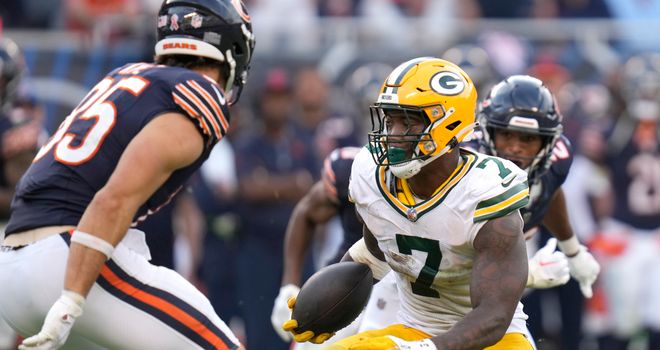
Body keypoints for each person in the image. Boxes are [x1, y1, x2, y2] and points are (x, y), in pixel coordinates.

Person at [0, 0, 255, 349]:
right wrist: (71, 299)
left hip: (12, 268)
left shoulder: (125, 76)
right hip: (69, 260)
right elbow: (114, 197)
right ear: (234, 48)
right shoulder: (198, 92)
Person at [283, 57, 538, 350]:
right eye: (389, 120)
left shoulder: (485, 193)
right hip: (414, 331)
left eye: (408, 121)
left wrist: (428, 349)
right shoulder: (371, 173)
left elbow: (493, 316)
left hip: (493, 341)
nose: (392, 134)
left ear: (450, 123)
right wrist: (327, 306)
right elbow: (374, 252)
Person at [474, 74, 601, 348]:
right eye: (506, 134)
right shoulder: (463, 164)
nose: (515, 147)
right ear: (487, 131)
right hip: (434, 293)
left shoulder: (555, 161)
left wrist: (573, 250)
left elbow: (549, 192)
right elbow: (449, 254)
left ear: (547, 143)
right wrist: (526, 274)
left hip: (501, 287)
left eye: (528, 138)